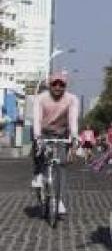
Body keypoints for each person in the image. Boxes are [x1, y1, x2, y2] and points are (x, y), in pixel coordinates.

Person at [32, 71, 80, 216]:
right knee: (39, 153)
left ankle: (60, 201)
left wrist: (74, 138)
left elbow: (72, 120)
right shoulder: (41, 98)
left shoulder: (72, 99)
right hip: (43, 132)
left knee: (61, 166)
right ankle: (38, 174)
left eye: (62, 84)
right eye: (54, 83)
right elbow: (36, 120)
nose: (58, 87)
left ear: (65, 86)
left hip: (61, 134)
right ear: (49, 85)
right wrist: (38, 137)